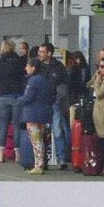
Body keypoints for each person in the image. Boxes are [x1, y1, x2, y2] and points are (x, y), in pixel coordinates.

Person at [0, 40, 26, 163]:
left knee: (2, 126)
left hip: (3, 95)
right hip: (17, 96)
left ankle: (1, 154)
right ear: (13, 48)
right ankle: (18, 154)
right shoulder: (19, 62)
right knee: (16, 125)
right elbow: (23, 77)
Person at [17, 58, 54, 175]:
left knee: (35, 140)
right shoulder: (45, 80)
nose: (25, 68)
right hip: (44, 113)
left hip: (32, 113)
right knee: (41, 140)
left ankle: (38, 165)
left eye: (28, 66)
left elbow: (28, 98)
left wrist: (18, 100)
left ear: (33, 68)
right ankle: (41, 163)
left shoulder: (33, 81)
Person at [38, 42, 70, 170]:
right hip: (41, 101)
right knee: (42, 131)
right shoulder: (37, 66)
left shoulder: (58, 67)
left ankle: (61, 158)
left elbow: (64, 83)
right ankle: (42, 159)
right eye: (39, 52)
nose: (39, 54)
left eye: (42, 52)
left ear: (49, 53)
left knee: (57, 128)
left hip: (54, 101)